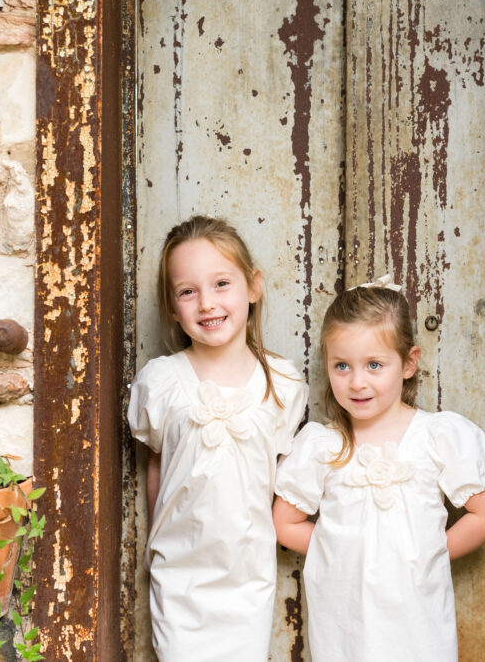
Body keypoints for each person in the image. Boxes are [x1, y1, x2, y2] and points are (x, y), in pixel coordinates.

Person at [272, 278, 485, 662]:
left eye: (374, 365)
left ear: (409, 363)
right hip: (346, 621)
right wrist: (344, 552)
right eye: (342, 365)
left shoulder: (436, 436)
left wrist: (424, 555)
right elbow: (285, 523)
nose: (357, 382)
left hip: (418, 621)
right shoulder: (323, 445)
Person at [127, 215, 307, 661]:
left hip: (247, 575)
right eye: (188, 291)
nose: (207, 303)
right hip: (180, 572)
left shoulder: (282, 384)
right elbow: (158, 463)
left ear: (253, 287)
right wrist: (157, 542)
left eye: (221, 283)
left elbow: (284, 479)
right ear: (172, 306)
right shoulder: (163, 381)